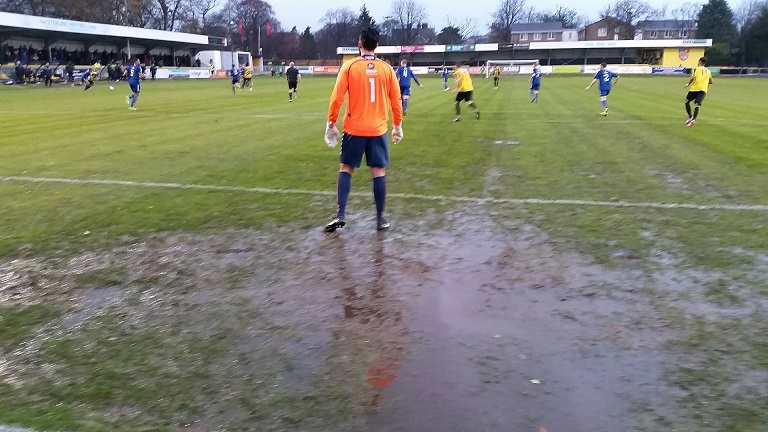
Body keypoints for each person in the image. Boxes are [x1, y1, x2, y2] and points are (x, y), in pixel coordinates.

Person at [323, 26, 404, 233]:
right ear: (377, 45)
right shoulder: (387, 69)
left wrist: (331, 123)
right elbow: (396, 100)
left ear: (359, 44)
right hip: (378, 129)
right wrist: (397, 126)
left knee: (346, 168)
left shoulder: (350, 67)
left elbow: (337, 97)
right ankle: (381, 219)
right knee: (378, 171)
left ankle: (340, 214)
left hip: (354, 129)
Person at [684, 57, 713, 128]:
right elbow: (711, 81)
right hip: (703, 89)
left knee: (687, 101)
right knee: (697, 104)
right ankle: (693, 119)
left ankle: (690, 117)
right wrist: (705, 83)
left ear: (700, 61)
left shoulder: (696, 69)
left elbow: (692, 77)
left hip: (695, 88)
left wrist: (688, 84)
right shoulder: (708, 71)